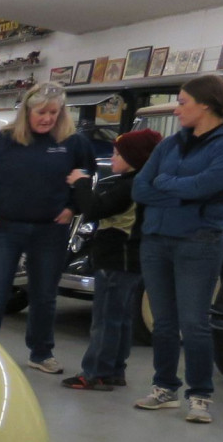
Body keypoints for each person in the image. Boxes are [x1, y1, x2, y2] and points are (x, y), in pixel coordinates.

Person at [131, 74, 223, 423]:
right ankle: (164, 387)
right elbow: (140, 188)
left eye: (183, 102)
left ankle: (200, 395)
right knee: (163, 322)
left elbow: (206, 185)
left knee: (194, 322)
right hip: (155, 240)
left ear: (206, 104)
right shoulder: (170, 144)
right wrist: (181, 192)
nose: (177, 109)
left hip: (198, 241)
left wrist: (167, 184)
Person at [0, 81, 97, 373]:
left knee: (44, 295)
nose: (47, 118)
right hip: (4, 228)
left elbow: (87, 177)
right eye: (41, 112)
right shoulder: (3, 141)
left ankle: (41, 353)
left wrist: (72, 207)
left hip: (50, 230)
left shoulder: (73, 143)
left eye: (54, 112)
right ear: (27, 111)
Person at [62, 127, 162, 390]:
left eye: (118, 154)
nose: (112, 158)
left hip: (117, 259)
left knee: (105, 319)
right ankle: (115, 369)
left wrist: (81, 182)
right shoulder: (140, 182)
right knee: (121, 318)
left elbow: (94, 209)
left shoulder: (129, 186)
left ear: (134, 158)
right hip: (130, 260)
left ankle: (95, 372)